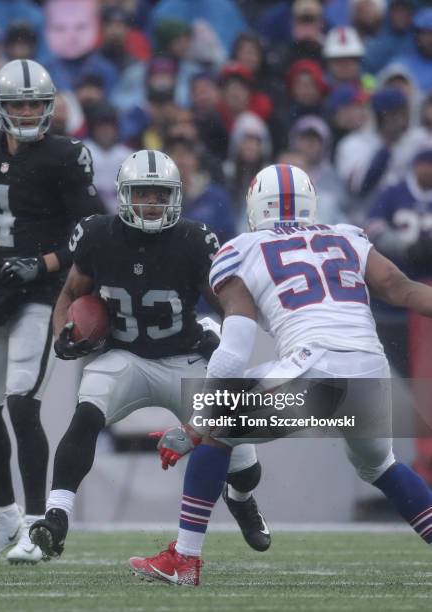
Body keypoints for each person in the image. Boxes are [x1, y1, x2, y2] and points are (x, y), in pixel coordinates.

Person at [129, 163, 432, 586]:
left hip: (317, 371)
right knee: (379, 465)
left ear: (255, 205)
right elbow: (402, 289)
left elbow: (235, 344)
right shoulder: (345, 235)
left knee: (218, 430)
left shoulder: (241, 248)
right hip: (370, 369)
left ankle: (184, 559)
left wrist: (198, 421)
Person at [28, 149, 270, 559]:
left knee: (246, 466)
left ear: (175, 196)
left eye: (160, 195)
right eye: (143, 193)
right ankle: (57, 515)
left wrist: (225, 343)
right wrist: (62, 334)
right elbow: (71, 293)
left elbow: (231, 306)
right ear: (124, 195)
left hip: (185, 356)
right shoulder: (97, 234)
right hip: (126, 356)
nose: (152, 203)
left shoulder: (195, 239)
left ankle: (240, 497)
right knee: (86, 414)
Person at [0, 59, 104, 567]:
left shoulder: (65, 157)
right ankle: (3, 516)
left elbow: (90, 231)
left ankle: (37, 524)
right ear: (0, 107)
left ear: (51, 105)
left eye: (37, 103)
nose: (30, 111)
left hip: (43, 295)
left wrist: (45, 262)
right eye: (20, 104)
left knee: (21, 403)